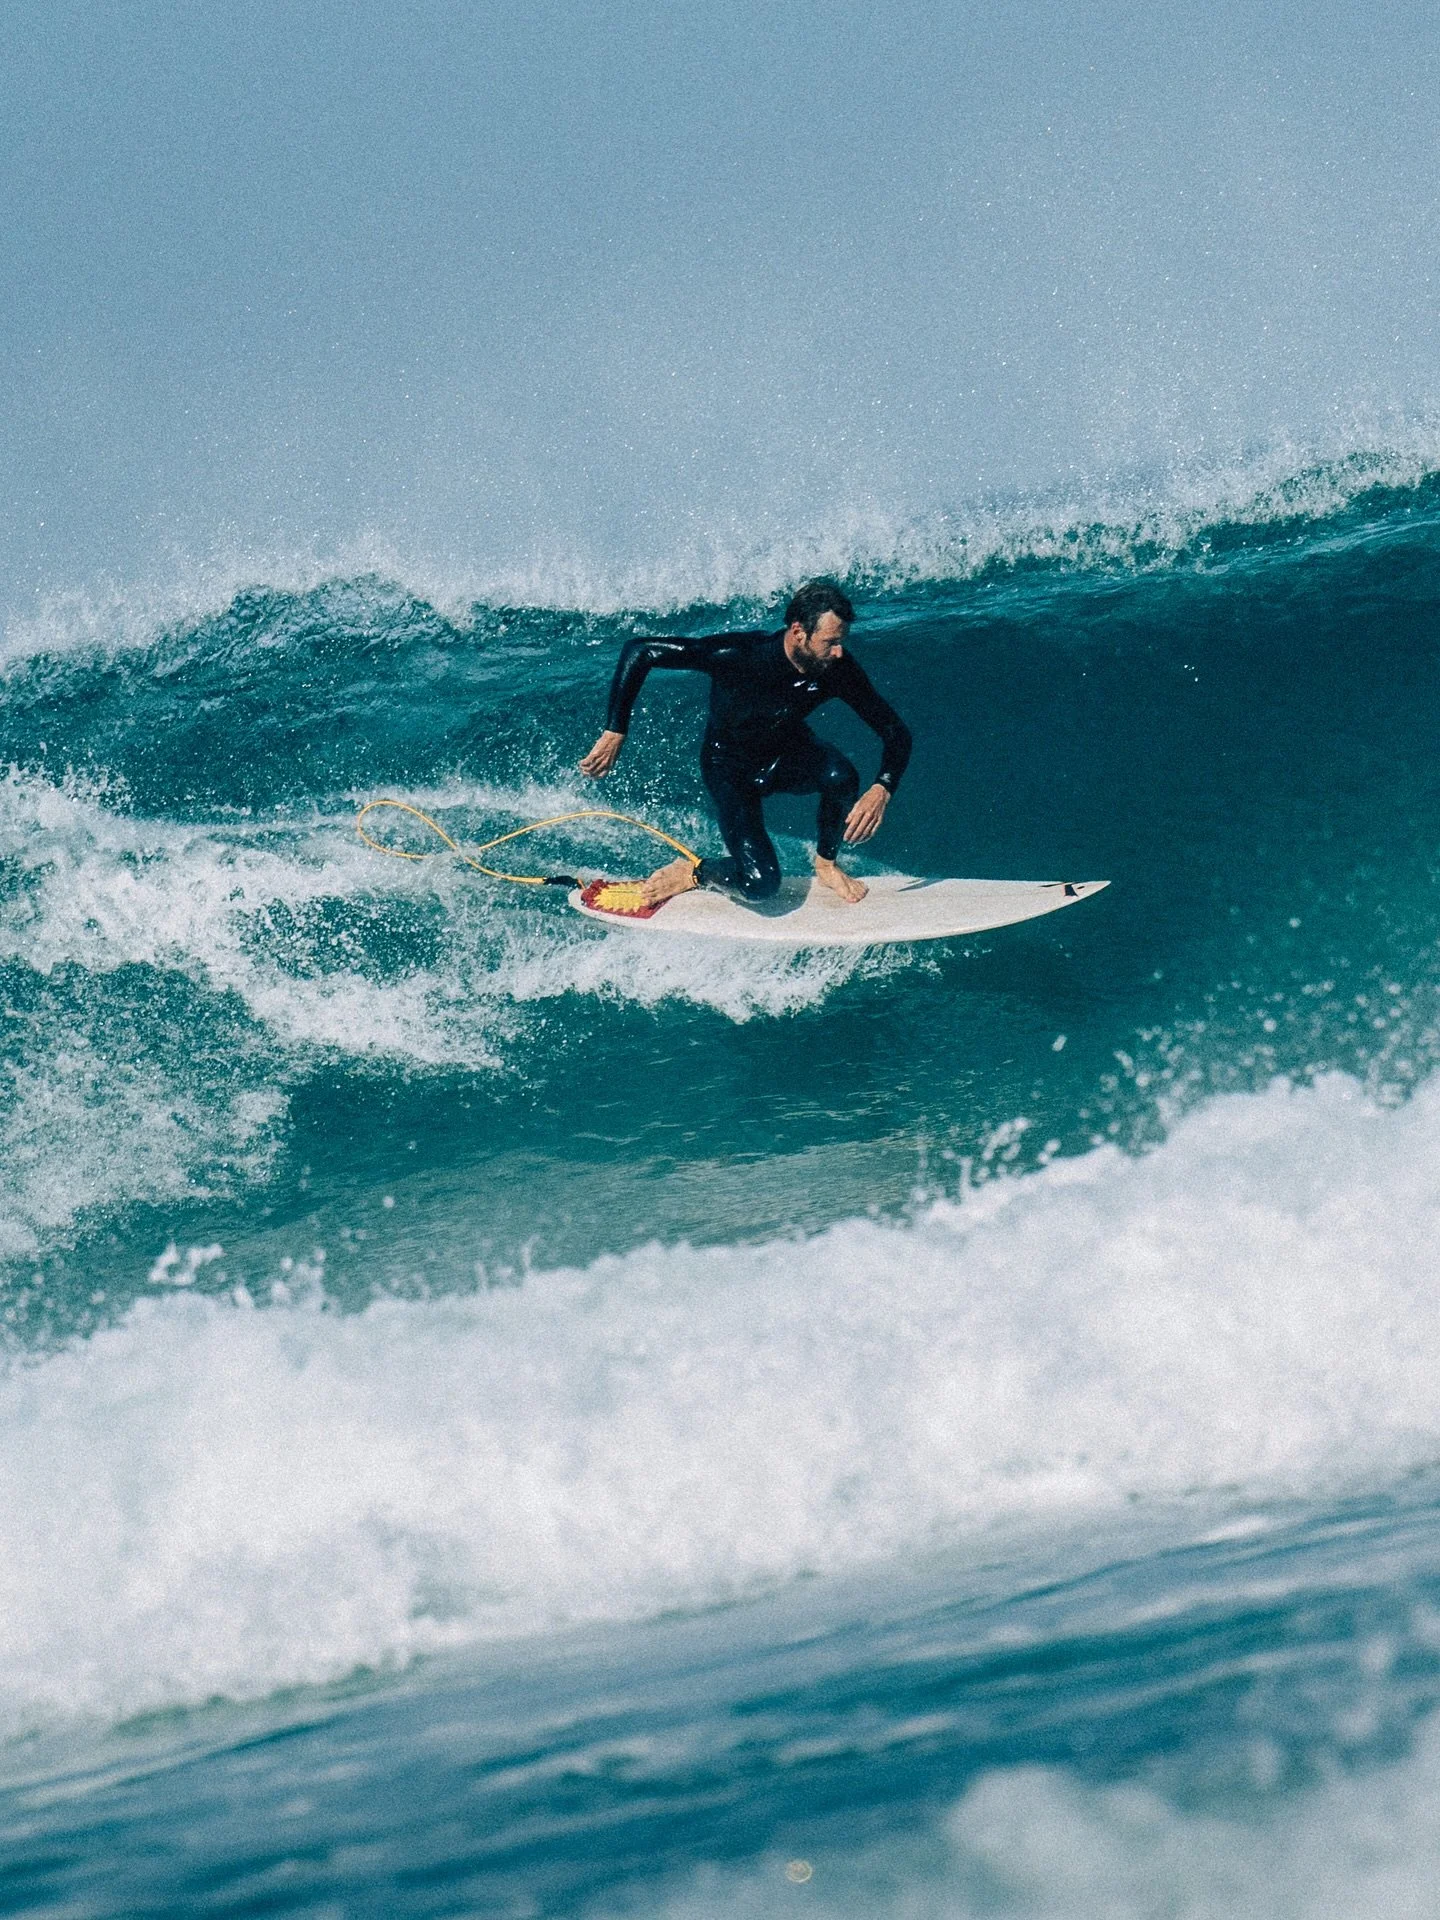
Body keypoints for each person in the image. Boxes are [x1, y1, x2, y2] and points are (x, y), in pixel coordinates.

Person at [579, 581, 911, 907]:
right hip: (729, 768)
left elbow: (895, 731)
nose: (839, 652)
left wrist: (882, 788)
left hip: (785, 755)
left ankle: (825, 863)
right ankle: (695, 872)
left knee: (842, 777)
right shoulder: (739, 655)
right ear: (798, 631)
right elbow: (641, 650)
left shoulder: (837, 669)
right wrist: (615, 730)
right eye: (830, 642)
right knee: (760, 885)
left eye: (842, 642)